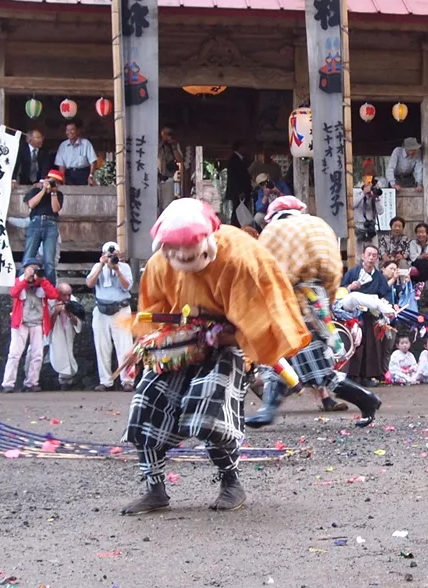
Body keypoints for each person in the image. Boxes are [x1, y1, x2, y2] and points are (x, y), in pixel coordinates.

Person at [120, 199, 310, 514]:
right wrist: (145, 345)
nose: (181, 257)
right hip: (178, 341)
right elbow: (152, 313)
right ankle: (154, 487)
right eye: (174, 252)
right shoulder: (159, 262)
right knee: (146, 404)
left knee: (210, 410)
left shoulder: (239, 257)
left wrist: (220, 334)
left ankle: (230, 481)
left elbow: (257, 318)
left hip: (227, 342)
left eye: (191, 253)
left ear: (209, 243)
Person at [249, 195, 382, 424]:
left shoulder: (275, 231)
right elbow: (332, 271)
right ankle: (268, 410)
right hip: (314, 296)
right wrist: (325, 297)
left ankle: (366, 399)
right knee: (280, 359)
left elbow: (262, 268)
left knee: (311, 366)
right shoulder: (319, 229)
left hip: (294, 300)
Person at [2, 257, 60, 393]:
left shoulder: (43, 283)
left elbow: (53, 294)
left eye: (36, 269)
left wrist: (42, 280)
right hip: (21, 322)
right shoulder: (19, 281)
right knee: (15, 353)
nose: (34, 271)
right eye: (31, 269)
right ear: (24, 269)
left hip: (38, 322)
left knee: (37, 354)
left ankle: (32, 382)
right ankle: (8, 383)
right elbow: (13, 293)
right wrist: (26, 279)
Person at [341, 244, 394, 386]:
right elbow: (340, 291)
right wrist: (350, 287)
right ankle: (351, 376)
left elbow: (387, 293)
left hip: (372, 315)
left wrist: (385, 301)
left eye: (374, 255)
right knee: (355, 343)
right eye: (369, 254)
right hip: (353, 315)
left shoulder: (379, 277)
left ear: (377, 259)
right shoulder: (352, 273)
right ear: (363, 256)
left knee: (371, 345)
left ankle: (368, 376)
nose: (371, 258)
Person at [88, 241, 136, 391]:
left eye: (115, 255)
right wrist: (101, 266)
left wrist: (117, 269)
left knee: (125, 346)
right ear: (103, 255)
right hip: (101, 309)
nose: (113, 257)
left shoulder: (125, 267)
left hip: (120, 308)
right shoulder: (98, 266)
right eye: (110, 255)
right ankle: (105, 381)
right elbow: (90, 283)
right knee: (102, 346)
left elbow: (127, 286)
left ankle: (127, 380)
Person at [22, 168, 64, 281]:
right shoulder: (35, 191)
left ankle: (49, 287)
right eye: (51, 180)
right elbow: (31, 204)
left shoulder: (59, 194)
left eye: (56, 182)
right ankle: (22, 283)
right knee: (29, 255)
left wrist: (53, 192)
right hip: (35, 222)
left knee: (49, 259)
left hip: (51, 223)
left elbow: (55, 209)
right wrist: (43, 189)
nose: (53, 183)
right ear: (45, 179)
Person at [48, 283, 85, 388]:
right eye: (64, 295)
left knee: (69, 353)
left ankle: (68, 379)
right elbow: (48, 325)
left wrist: (70, 314)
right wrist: (56, 312)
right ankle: (62, 378)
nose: (67, 298)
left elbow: (78, 322)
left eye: (68, 295)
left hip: (68, 331)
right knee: (58, 352)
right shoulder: (50, 301)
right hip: (56, 332)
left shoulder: (73, 301)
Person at [54, 120, 98, 185]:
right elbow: (61, 164)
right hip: (68, 175)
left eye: (72, 130)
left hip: (83, 174)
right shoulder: (63, 145)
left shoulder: (86, 143)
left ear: (77, 131)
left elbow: (93, 161)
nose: (69, 132)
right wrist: (62, 177)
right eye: (67, 130)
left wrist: (90, 176)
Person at [223, 141, 254, 227]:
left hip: (241, 191)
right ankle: (235, 226)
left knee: (240, 210)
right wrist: (240, 191)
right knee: (238, 210)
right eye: (244, 148)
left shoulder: (239, 159)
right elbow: (235, 178)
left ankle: (239, 226)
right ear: (240, 148)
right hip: (238, 191)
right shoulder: (234, 160)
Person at [157, 126, 183, 204]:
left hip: (168, 178)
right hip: (156, 177)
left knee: (167, 204)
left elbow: (180, 160)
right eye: (165, 133)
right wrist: (162, 141)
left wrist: (173, 146)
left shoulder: (174, 144)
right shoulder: (156, 143)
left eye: (169, 133)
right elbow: (153, 153)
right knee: (156, 205)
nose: (167, 135)